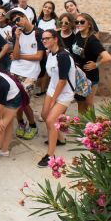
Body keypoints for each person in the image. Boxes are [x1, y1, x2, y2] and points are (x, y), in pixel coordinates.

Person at [37, 29, 76, 168]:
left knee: (51, 120)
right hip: (53, 90)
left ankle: (50, 156)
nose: (45, 41)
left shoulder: (63, 56)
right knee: (44, 115)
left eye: (47, 38)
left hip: (64, 93)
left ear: (55, 39)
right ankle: (60, 138)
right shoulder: (50, 53)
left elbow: (62, 80)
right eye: (43, 39)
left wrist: (53, 99)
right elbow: (52, 75)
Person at [7, 8, 43, 140]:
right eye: (13, 21)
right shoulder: (15, 31)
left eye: (18, 19)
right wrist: (17, 38)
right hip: (15, 70)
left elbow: (39, 56)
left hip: (30, 72)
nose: (16, 23)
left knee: (24, 101)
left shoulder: (38, 33)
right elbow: (15, 55)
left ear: (25, 16)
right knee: (15, 100)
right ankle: (21, 123)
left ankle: (33, 125)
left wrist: (20, 56)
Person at [71, 13, 111, 114]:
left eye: (82, 22)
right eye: (77, 22)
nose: (78, 24)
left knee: (88, 103)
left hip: (90, 76)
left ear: (89, 24)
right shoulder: (78, 35)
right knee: (80, 102)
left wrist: (96, 64)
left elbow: (107, 57)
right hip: (78, 75)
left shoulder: (92, 40)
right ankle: (81, 125)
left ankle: (92, 127)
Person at [0, 6, 13, 73]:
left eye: (3, 14)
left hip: (7, 57)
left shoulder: (10, 28)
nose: (0, 16)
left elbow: (12, 46)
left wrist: (11, 40)